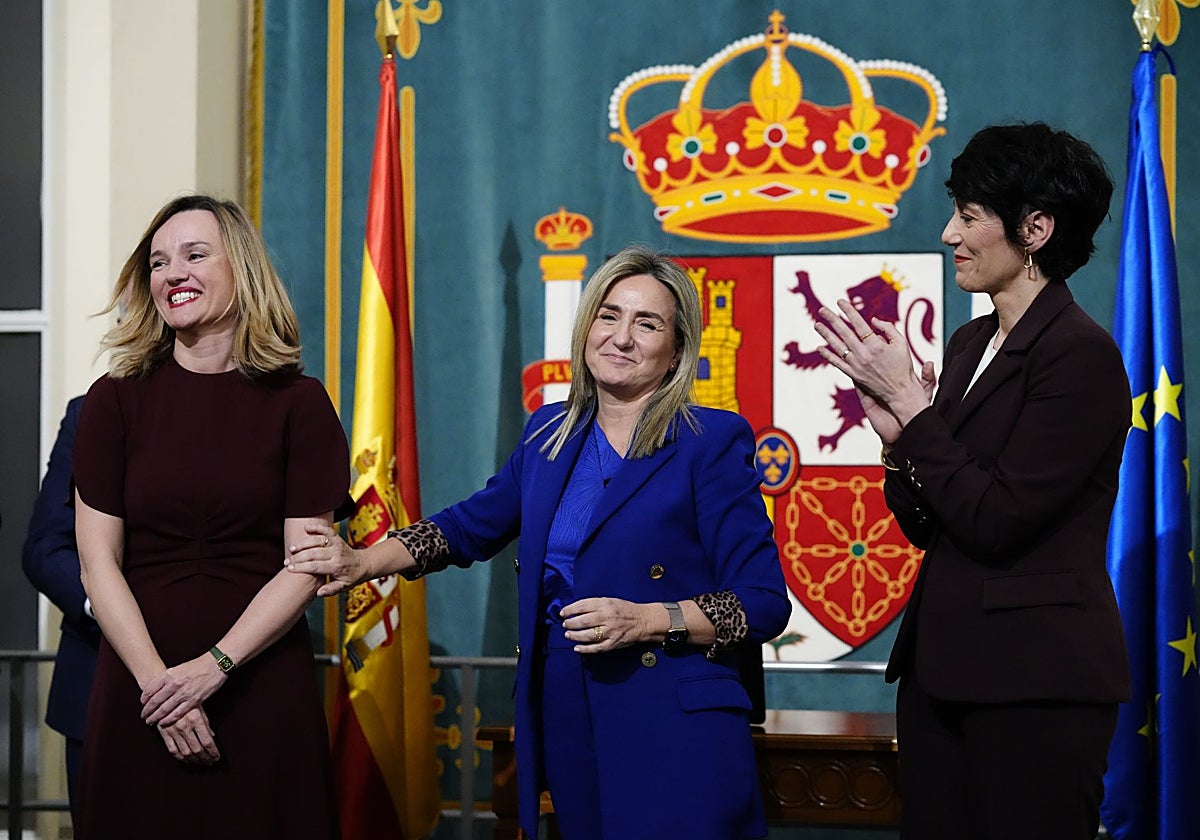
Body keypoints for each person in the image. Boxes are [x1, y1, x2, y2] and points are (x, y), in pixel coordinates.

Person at [287, 244, 791, 840]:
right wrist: (365, 559)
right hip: (567, 699)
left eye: (647, 323)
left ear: (677, 349)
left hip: (671, 713)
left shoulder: (711, 440)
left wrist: (648, 619)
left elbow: (762, 604)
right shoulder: (549, 431)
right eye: (609, 315)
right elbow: (469, 525)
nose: (622, 336)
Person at [814, 122, 1131, 839]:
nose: (948, 232)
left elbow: (998, 518)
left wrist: (916, 412)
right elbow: (932, 520)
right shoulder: (967, 344)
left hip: (1035, 685)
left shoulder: (1081, 357)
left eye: (969, 216)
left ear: (1036, 229)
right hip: (944, 675)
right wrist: (899, 443)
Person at [71, 194, 351, 838]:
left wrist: (214, 667)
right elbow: (96, 561)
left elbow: (306, 566)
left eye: (195, 255)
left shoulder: (300, 404)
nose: (174, 273)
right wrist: (161, 691)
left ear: (241, 269)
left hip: (258, 684)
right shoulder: (114, 401)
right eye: (159, 262)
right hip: (141, 691)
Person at [22, 396, 97, 824]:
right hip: (98, 681)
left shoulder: (254, 411)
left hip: (224, 690)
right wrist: (106, 607)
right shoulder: (90, 415)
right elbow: (45, 548)